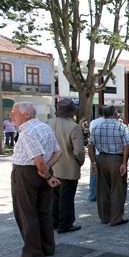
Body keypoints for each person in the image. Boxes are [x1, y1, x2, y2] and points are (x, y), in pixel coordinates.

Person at [10, 102, 62, 257]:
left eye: (14, 113)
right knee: (44, 211)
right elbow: (58, 152)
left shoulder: (27, 132)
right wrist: (48, 169)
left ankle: (33, 251)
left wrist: (46, 174)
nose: (12, 116)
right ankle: (47, 246)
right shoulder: (44, 127)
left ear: (26, 114)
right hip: (43, 171)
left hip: (27, 173)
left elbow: (38, 159)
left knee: (27, 213)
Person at [88, 105, 129, 226]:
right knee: (118, 189)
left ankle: (105, 217)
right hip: (116, 159)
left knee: (102, 189)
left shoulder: (97, 127)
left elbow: (90, 145)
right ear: (115, 114)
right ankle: (116, 218)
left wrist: (93, 162)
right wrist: (124, 162)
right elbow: (127, 145)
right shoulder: (121, 126)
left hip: (101, 158)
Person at [47, 99, 86, 234]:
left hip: (52, 165)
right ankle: (65, 224)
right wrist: (79, 161)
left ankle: (54, 221)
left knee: (54, 196)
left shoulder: (49, 123)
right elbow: (79, 150)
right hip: (68, 166)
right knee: (67, 197)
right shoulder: (73, 127)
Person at [87, 107, 104, 202]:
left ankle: (93, 195)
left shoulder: (93, 123)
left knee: (94, 175)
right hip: (106, 153)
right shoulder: (110, 122)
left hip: (95, 151)